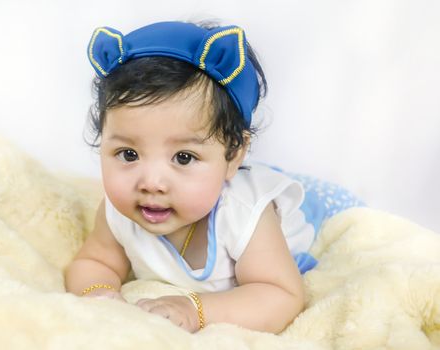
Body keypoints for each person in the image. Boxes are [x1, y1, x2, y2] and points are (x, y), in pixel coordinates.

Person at [64, 21, 363, 333]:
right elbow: (94, 263)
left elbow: (280, 294)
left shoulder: (244, 214)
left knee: (330, 210)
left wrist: (195, 310)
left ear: (233, 155)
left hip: (299, 213)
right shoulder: (118, 209)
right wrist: (95, 292)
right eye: (128, 154)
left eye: (183, 157)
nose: (150, 182)